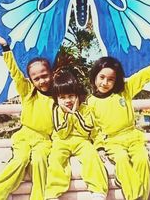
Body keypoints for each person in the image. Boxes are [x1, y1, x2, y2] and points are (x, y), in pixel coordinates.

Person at [88, 51, 150, 200]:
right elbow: (95, 129)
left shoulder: (124, 91)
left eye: (110, 79)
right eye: (102, 77)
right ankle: (133, 195)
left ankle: (142, 197)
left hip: (133, 137)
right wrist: (99, 147)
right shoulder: (91, 102)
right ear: (95, 76)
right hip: (112, 142)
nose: (105, 82)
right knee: (121, 159)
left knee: (142, 159)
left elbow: (142, 76)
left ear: (116, 81)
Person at [0, 34, 54, 200]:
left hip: (45, 141)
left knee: (39, 160)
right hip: (24, 138)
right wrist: (6, 48)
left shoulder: (59, 95)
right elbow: (15, 72)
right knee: (20, 160)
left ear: (51, 73)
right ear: (31, 80)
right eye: (36, 78)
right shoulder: (28, 92)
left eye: (44, 75)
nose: (42, 80)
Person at [45, 68, 108, 200]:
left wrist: (76, 114)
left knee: (91, 156)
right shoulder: (57, 110)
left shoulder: (85, 109)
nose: (67, 100)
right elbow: (61, 133)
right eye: (62, 97)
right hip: (62, 142)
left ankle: (98, 191)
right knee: (55, 159)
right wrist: (68, 116)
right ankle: (53, 193)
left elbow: (87, 131)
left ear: (77, 95)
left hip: (81, 141)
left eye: (71, 96)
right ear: (57, 99)